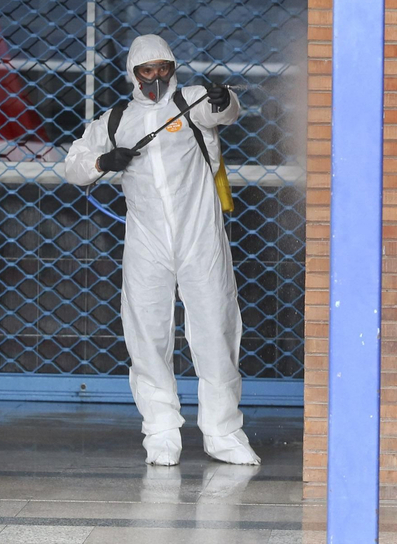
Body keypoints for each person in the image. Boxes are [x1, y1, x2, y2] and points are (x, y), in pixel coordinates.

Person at [63, 34, 259, 467]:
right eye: (146, 71)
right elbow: (74, 165)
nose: (155, 78)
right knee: (147, 335)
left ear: (173, 67)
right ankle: (161, 433)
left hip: (200, 235)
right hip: (145, 240)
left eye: (162, 68)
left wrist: (223, 97)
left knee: (216, 329)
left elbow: (225, 112)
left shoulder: (191, 102)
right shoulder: (116, 120)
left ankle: (224, 432)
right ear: (133, 73)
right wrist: (102, 163)